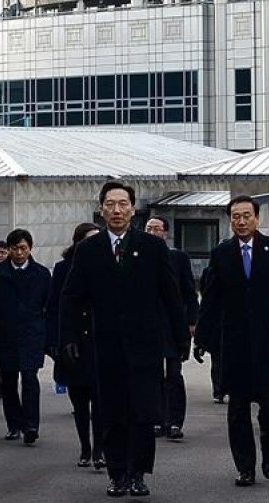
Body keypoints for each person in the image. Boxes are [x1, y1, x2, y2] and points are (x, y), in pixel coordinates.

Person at [61, 180, 189, 498]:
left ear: (133, 209)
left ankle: (139, 474)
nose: (117, 210)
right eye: (110, 204)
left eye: (123, 204)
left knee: (144, 412)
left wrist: (180, 339)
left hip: (145, 345)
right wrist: (69, 337)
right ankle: (117, 473)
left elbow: (171, 297)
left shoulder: (152, 247)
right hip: (104, 345)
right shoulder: (88, 250)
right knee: (112, 411)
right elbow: (72, 297)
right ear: (101, 208)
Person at [194, 195, 269, 487]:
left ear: (257, 218)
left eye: (246, 216)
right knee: (237, 410)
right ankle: (245, 467)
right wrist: (202, 337)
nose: (241, 222)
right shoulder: (221, 253)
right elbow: (211, 299)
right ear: (230, 220)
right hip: (235, 344)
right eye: (235, 217)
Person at [0, 228, 52, 446]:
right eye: (15, 248)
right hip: (5, 335)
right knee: (9, 382)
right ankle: (14, 424)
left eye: (23, 248)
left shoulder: (41, 274)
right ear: (8, 250)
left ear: (30, 249)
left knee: (30, 379)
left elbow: (48, 307)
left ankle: (31, 425)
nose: (20, 253)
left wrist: (47, 337)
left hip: (32, 334)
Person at [46, 222, 105, 468]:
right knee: (79, 401)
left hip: (99, 341)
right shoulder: (63, 268)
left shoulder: (106, 265)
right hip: (73, 342)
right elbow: (54, 307)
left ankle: (100, 450)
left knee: (100, 401)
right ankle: (85, 446)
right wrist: (54, 342)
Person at [144, 215, 199, 441]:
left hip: (173, 325)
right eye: (148, 228)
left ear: (165, 233)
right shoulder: (137, 256)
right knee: (152, 374)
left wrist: (192, 322)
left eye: (156, 229)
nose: (152, 232)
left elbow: (189, 292)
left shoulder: (177, 257)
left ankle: (175, 421)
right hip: (147, 325)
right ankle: (156, 419)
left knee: (174, 374)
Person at [198, 266, 225, 403]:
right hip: (218, 321)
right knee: (218, 358)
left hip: (218, 321)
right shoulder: (209, 271)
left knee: (217, 359)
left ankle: (219, 390)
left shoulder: (209, 271)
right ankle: (220, 389)